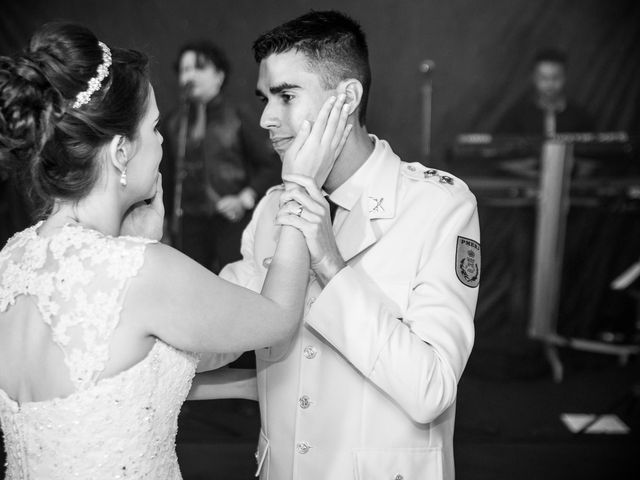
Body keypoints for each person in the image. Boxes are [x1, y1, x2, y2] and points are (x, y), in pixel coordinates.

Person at [0, 22, 350, 479]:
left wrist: (248, 385)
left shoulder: (13, 259)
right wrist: (302, 181)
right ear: (121, 151)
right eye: (154, 127)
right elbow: (278, 318)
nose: (163, 140)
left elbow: (110, 385)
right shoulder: (142, 271)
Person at [216, 10, 481, 480]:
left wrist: (328, 262)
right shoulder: (274, 206)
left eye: (286, 96)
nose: (265, 118)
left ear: (348, 97)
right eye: (264, 98)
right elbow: (221, 326)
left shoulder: (437, 204)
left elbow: (431, 389)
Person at [161, 40, 280, 274]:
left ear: (219, 76)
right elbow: (166, 174)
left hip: (231, 221)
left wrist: (244, 197)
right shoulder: (174, 122)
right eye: (184, 70)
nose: (190, 76)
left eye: (199, 68)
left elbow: (271, 165)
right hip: (189, 224)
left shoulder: (237, 117)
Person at [495, 48, 594, 137]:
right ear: (534, 78)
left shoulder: (579, 117)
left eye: (556, 78)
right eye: (543, 78)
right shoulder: (517, 116)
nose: (549, 84)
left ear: (565, 78)